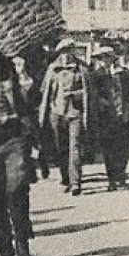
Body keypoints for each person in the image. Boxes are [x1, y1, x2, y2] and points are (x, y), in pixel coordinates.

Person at [0, 57, 35, 256]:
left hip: (14, 139)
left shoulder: (14, 73)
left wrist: (23, 77)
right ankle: (5, 252)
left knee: (17, 191)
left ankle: (23, 247)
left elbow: (29, 104)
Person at [38, 40, 92, 195]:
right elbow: (45, 91)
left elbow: (89, 92)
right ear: (59, 53)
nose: (66, 55)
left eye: (69, 51)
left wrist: (75, 94)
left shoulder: (81, 69)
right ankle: (66, 178)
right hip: (57, 114)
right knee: (61, 148)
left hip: (75, 114)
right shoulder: (53, 70)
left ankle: (76, 182)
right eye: (64, 51)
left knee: (74, 147)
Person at [89, 47, 129, 190]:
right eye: (100, 58)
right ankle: (112, 179)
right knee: (108, 149)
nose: (103, 61)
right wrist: (100, 100)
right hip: (106, 117)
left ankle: (121, 176)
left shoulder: (123, 73)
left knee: (122, 148)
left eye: (105, 58)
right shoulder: (96, 75)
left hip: (122, 114)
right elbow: (91, 93)